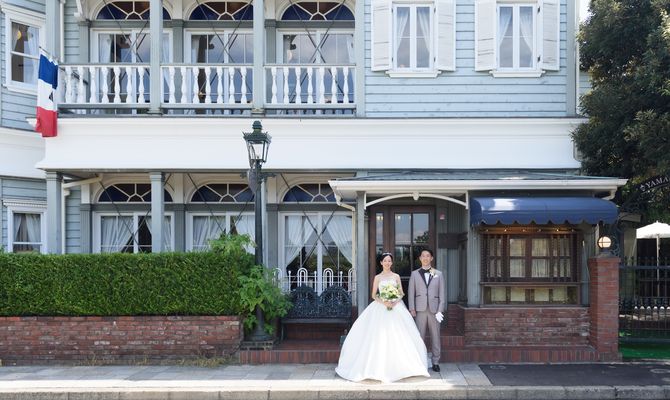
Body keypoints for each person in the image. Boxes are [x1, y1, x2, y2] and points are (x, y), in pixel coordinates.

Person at [335, 252, 430, 383]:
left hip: (396, 307)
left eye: (389, 261)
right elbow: (374, 295)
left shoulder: (396, 276)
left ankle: (404, 367)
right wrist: (384, 302)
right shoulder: (378, 277)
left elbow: (401, 293)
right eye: (385, 261)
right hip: (380, 306)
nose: (387, 263)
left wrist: (394, 300)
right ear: (381, 263)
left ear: (392, 262)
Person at [408, 248, 445, 372]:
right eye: (423, 256)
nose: (425, 258)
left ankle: (435, 362)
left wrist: (440, 310)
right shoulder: (414, 274)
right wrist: (412, 308)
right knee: (419, 336)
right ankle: (420, 361)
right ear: (420, 258)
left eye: (428, 256)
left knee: (436, 336)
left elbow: (442, 293)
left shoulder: (438, 274)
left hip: (435, 310)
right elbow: (411, 292)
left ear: (431, 258)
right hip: (420, 309)